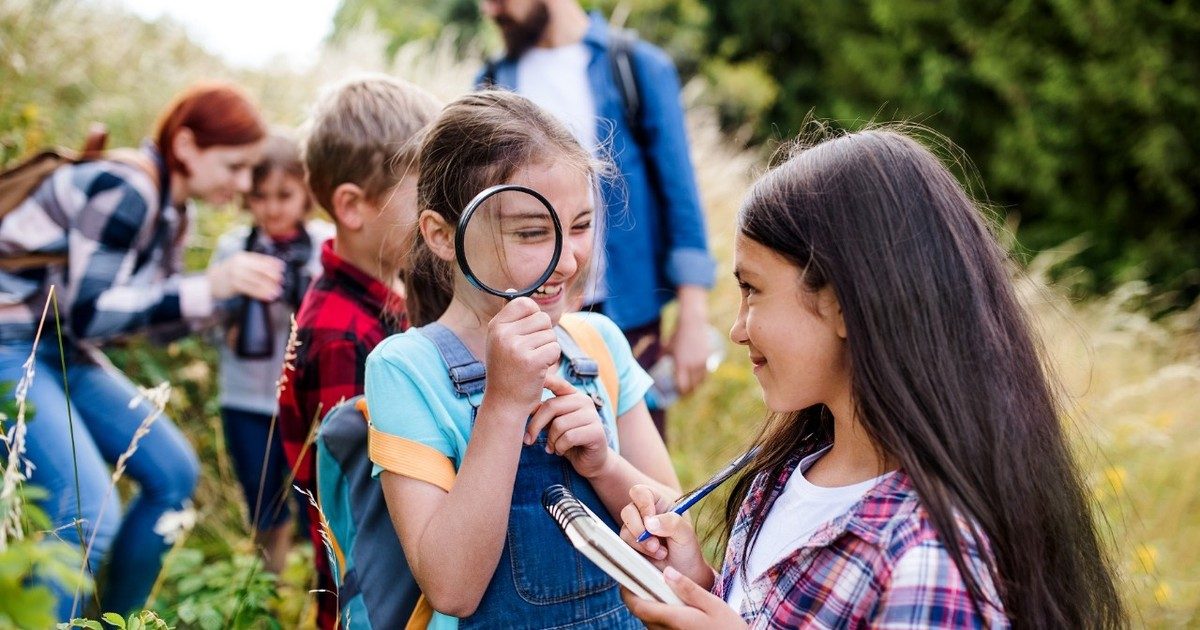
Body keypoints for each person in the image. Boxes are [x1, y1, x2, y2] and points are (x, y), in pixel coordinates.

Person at [617, 129, 1126, 628]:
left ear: (842, 304)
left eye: (752, 289)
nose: (736, 329)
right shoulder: (785, 472)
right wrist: (694, 583)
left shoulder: (926, 561)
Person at [364, 90, 681, 629]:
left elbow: (675, 537)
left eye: (580, 225)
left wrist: (604, 465)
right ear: (443, 236)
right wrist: (504, 405)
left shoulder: (599, 344)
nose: (567, 258)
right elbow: (452, 589)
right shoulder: (404, 369)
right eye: (533, 233)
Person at [0, 82, 282, 620]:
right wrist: (207, 287)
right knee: (84, 511)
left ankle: (118, 618)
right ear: (185, 145)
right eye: (233, 166)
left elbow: (139, 322)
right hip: (10, 339)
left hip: (59, 344)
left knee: (173, 473)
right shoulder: (127, 188)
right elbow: (90, 313)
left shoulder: (175, 215)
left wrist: (223, 308)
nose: (243, 184)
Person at [477, 0, 716, 441]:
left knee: (634, 458)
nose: (490, 9)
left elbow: (680, 195)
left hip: (631, 315)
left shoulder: (637, 67)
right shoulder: (493, 82)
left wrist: (693, 317)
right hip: (533, 313)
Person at [275, 74, 440, 630]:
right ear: (353, 206)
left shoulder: (386, 301)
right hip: (378, 602)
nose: (439, 213)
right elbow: (365, 503)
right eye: (425, 194)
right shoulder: (340, 335)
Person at [208, 132, 333, 575]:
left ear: (306, 194)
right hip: (245, 398)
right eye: (260, 197)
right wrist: (239, 311)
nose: (273, 208)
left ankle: (323, 598)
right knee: (264, 507)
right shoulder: (234, 248)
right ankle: (268, 597)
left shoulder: (323, 245)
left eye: (285, 195)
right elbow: (209, 326)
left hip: (307, 401)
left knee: (317, 511)